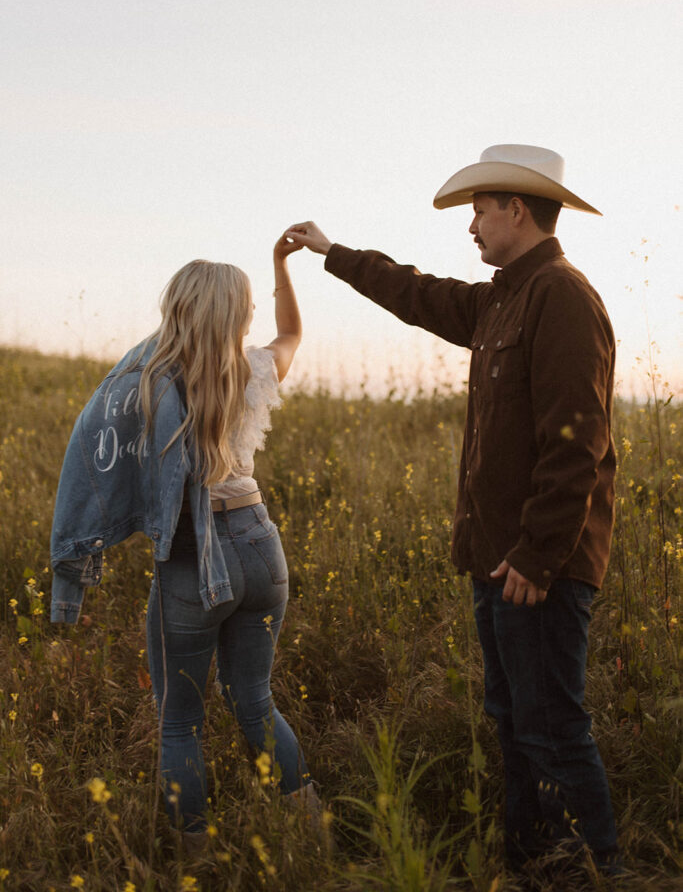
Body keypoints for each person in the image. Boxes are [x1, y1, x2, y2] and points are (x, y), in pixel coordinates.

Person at [286, 144, 622, 876]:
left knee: (550, 729)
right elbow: (418, 294)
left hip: (537, 565)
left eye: (478, 209)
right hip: (497, 560)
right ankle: (535, 865)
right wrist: (331, 252)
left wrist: (538, 554)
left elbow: (577, 440)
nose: (469, 225)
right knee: (512, 723)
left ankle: (591, 872)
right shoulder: (501, 296)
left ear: (515, 208)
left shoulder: (560, 295)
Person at [50, 233, 318, 853]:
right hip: (259, 542)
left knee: (179, 723)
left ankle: (193, 861)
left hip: (194, 558)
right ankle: (313, 835)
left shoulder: (147, 385)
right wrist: (280, 267)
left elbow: (102, 456)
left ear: (178, 310)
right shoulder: (254, 369)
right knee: (255, 703)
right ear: (239, 314)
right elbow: (293, 335)